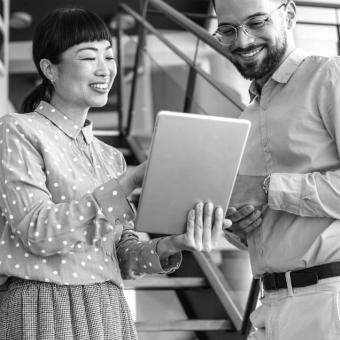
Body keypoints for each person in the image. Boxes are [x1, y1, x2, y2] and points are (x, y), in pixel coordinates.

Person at [0, 8, 228, 340]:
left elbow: (122, 254)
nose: (105, 69)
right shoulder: (18, 131)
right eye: (89, 57)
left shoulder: (110, 157)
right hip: (42, 307)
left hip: (108, 309)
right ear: (49, 68)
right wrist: (130, 181)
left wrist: (173, 244)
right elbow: (37, 231)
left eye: (109, 56)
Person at [213, 0, 340, 339]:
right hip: (270, 307)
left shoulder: (329, 75)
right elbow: (265, 222)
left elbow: (265, 189)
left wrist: (268, 188)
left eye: (256, 22)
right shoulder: (246, 119)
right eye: (227, 30)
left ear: (290, 14)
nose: (241, 41)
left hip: (330, 303)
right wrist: (237, 225)